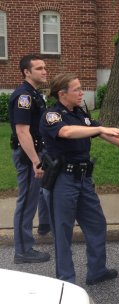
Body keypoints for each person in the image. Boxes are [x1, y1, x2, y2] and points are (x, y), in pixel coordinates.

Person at [39, 73, 119, 284]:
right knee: (63, 231)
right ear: (62, 94)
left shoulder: (80, 113)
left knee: (96, 223)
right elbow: (67, 132)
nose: (82, 93)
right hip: (62, 180)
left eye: (81, 88)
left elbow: (102, 132)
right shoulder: (52, 115)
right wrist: (97, 128)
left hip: (84, 179)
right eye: (77, 89)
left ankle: (97, 271)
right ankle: (66, 280)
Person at [8, 54, 51, 264]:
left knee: (42, 194)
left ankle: (45, 227)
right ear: (27, 72)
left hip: (38, 152)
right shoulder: (23, 96)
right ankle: (23, 250)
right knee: (26, 202)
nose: (45, 71)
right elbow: (22, 132)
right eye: (39, 68)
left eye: (44, 67)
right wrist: (35, 161)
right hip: (28, 156)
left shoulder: (34, 94)